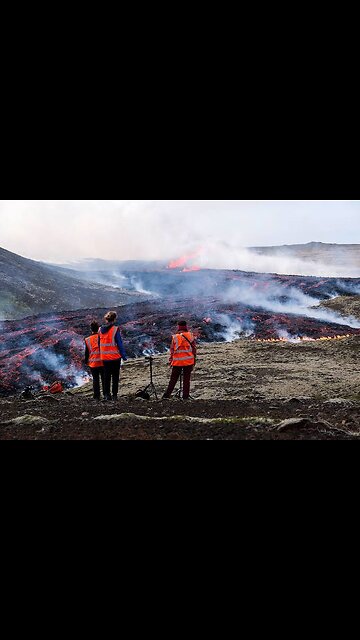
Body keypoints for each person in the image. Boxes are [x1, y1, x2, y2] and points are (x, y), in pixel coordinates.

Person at [162, 320, 197, 400]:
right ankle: (185, 396)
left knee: (173, 379)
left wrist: (171, 360)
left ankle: (167, 395)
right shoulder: (190, 335)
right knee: (186, 380)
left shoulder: (175, 337)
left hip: (177, 362)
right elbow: (194, 349)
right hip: (188, 361)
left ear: (178, 327)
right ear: (186, 326)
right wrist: (194, 359)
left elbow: (172, 350)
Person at [99, 311, 127, 401]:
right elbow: (119, 343)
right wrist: (123, 356)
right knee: (115, 377)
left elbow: (99, 343)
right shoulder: (115, 329)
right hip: (115, 357)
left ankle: (107, 395)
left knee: (106, 377)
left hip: (104, 358)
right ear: (114, 319)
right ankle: (114, 395)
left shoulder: (100, 330)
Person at [85, 321, 104, 400]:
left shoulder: (87, 339)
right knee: (104, 378)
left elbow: (87, 353)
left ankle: (96, 396)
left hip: (93, 363)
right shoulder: (102, 337)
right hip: (103, 361)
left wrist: (86, 361)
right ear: (98, 328)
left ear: (91, 329)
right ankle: (106, 394)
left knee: (95, 379)